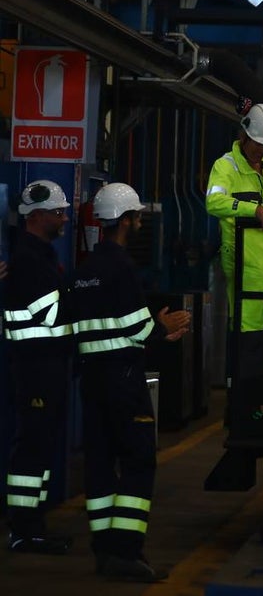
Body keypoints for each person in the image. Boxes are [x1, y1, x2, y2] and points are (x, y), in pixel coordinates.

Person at [69, 183, 190, 582]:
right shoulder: (120, 266)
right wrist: (164, 326)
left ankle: (104, 550)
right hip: (124, 380)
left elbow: (88, 327)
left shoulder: (85, 269)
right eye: (137, 216)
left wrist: (154, 330)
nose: (139, 222)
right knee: (139, 460)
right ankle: (126, 550)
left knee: (100, 464)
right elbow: (135, 326)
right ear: (125, 221)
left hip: (92, 380)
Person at [3, 180, 73, 555]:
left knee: (40, 448)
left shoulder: (39, 256)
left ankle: (32, 525)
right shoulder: (30, 261)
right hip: (35, 369)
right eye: (59, 213)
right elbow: (53, 315)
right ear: (38, 216)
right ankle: (24, 529)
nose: (64, 218)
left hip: (45, 366)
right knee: (32, 449)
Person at [206, 100, 263, 402]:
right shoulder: (225, 166)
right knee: (245, 344)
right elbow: (214, 203)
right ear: (247, 136)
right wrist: (253, 210)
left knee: (260, 343)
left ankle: (250, 410)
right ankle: (239, 414)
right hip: (242, 266)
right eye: (262, 144)